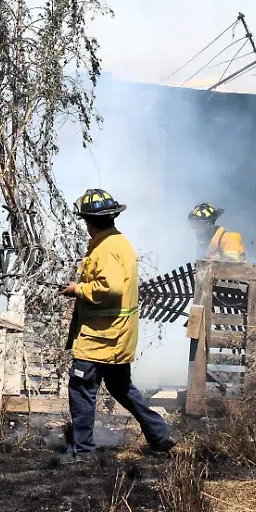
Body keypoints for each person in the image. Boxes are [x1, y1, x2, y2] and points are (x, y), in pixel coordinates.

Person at [59, 188, 176, 463]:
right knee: (121, 388)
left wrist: (79, 289)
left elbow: (109, 289)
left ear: (88, 221)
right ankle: (159, 435)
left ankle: (82, 452)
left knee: (81, 388)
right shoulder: (116, 241)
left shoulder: (107, 248)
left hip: (101, 336)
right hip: (117, 334)